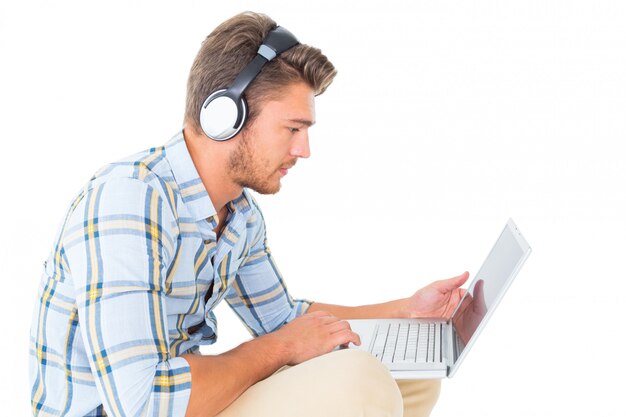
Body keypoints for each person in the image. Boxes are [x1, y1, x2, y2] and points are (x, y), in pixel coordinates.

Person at [29, 11, 469, 417]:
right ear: (226, 115)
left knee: (409, 377)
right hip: (142, 410)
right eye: (293, 129)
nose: (304, 150)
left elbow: (283, 320)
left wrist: (406, 311)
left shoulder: (241, 216)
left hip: (182, 404)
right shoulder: (128, 201)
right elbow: (143, 403)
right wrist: (280, 349)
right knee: (359, 380)